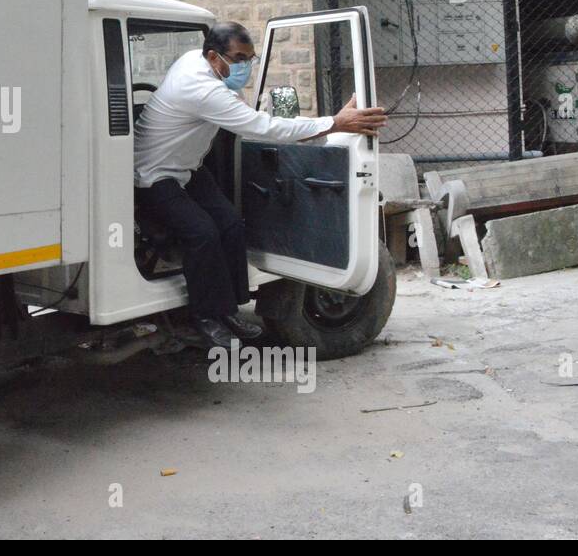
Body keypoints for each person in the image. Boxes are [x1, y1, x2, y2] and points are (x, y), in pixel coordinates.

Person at [133, 21, 387, 348]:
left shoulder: (203, 66)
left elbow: (247, 116)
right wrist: (335, 123)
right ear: (213, 57)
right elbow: (261, 128)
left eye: (250, 59)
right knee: (202, 234)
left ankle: (228, 311)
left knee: (231, 224)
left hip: (187, 166)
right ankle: (206, 319)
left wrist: (328, 123)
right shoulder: (199, 87)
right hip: (153, 173)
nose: (245, 67)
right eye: (238, 58)